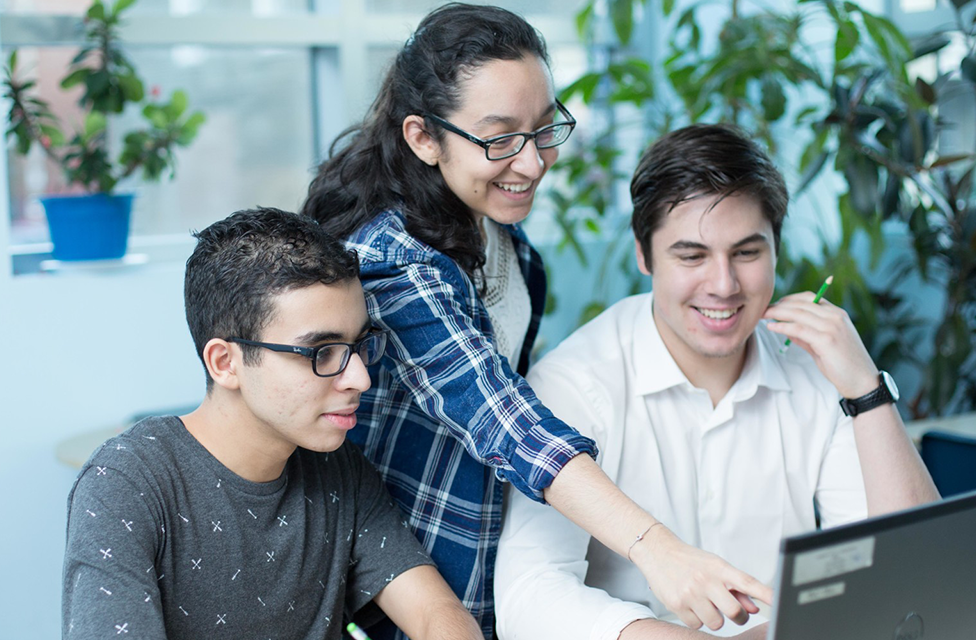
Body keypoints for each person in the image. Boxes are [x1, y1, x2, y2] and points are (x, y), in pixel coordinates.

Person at [302, 5, 771, 638]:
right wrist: (657, 548)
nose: (532, 163)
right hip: (404, 591)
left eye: (544, 129)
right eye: (499, 139)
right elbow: (505, 420)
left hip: (495, 566)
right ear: (423, 137)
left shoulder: (511, 246)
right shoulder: (392, 264)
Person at [493, 123, 941, 639]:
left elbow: (913, 577)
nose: (724, 285)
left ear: (776, 249)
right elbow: (530, 598)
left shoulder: (818, 369)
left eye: (747, 253)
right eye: (692, 256)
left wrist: (866, 390)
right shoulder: (575, 381)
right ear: (644, 255)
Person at [61, 208, 483, 640]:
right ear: (226, 363)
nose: (361, 378)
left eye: (358, 345)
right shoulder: (126, 482)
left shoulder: (339, 468)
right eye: (321, 352)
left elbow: (436, 612)